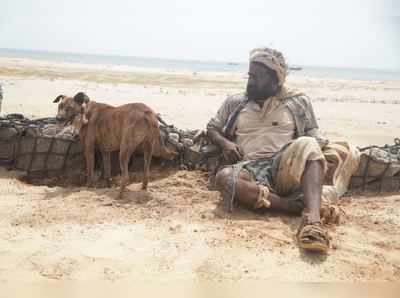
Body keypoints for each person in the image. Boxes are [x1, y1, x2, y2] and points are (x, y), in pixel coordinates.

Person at [207, 47, 335, 253]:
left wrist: (316, 154)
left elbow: (313, 135)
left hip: (283, 165)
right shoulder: (236, 102)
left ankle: (313, 222)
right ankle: (293, 206)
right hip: (249, 168)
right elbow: (212, 128)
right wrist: (226, 144)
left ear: (276, 79)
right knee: (224, 178)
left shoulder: (298, 102)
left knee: (309, 144)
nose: (250, 81)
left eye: (256, 77)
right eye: (249, 75)